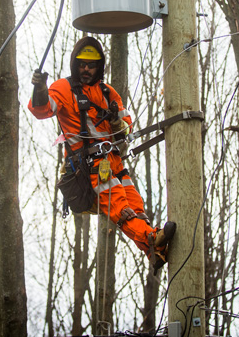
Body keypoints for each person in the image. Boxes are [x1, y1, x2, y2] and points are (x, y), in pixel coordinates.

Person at [28, 36, 175, 270]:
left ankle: (153, 249)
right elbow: (42, 109)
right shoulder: (63, 88)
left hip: (114, 161)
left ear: (99, 66)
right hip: (91, 164)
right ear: (74, 64)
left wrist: (118, 123)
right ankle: (151, 239)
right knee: (120, 207)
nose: (86, 69)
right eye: (82, 64)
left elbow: (127, 126)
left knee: (136, 205)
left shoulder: (108, 93)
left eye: (91, 64)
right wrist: (40, 88)